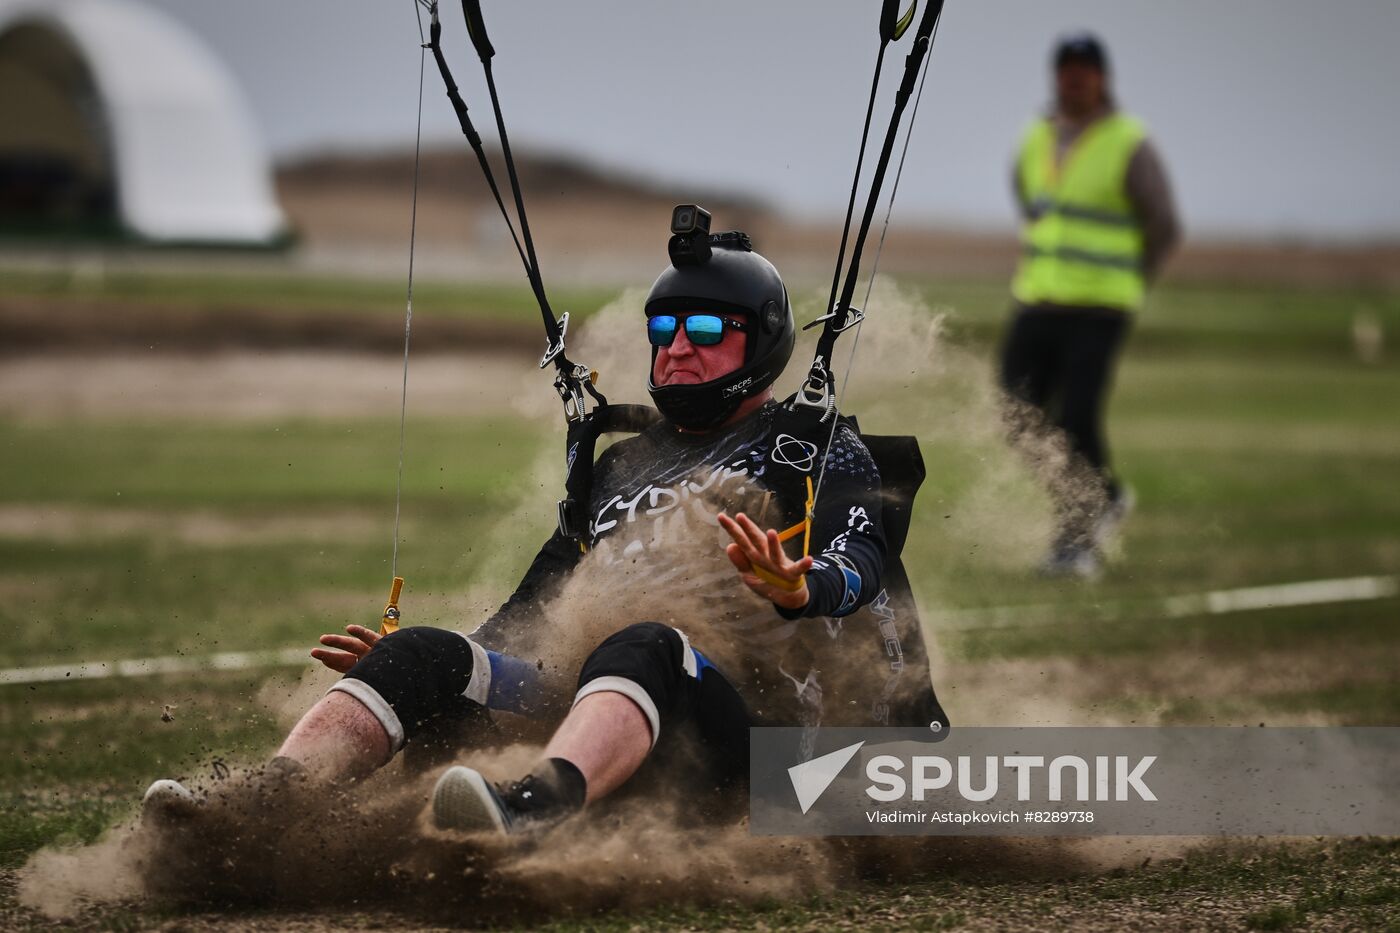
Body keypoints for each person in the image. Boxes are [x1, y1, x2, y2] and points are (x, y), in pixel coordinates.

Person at [144, 229, 936, 835]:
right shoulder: (621, 466)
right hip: (603, 707)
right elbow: (531, 614)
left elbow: (862, 553)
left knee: (648, 642)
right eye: (664, 328)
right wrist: (420, 676)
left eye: (704, 325)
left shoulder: (812, 446)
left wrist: (804, 587)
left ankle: (535, 807)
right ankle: (262, 808)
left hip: (761, 748)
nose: (679, 346)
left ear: (760, 340)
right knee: (424, 650)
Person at [1001, 32, 1180, 578]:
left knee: (1077, 417)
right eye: (1066, 68)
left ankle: (1077, 537)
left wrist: (1130, 283)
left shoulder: (1129, 141)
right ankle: (1101, 497)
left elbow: (1163, 225)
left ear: (1103, 77)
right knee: (1016, 416)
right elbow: (1030, 204)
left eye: (1085, 69)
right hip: (1039, 298)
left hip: (1100, 307)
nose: (1074, 78)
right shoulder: (1036, 137)